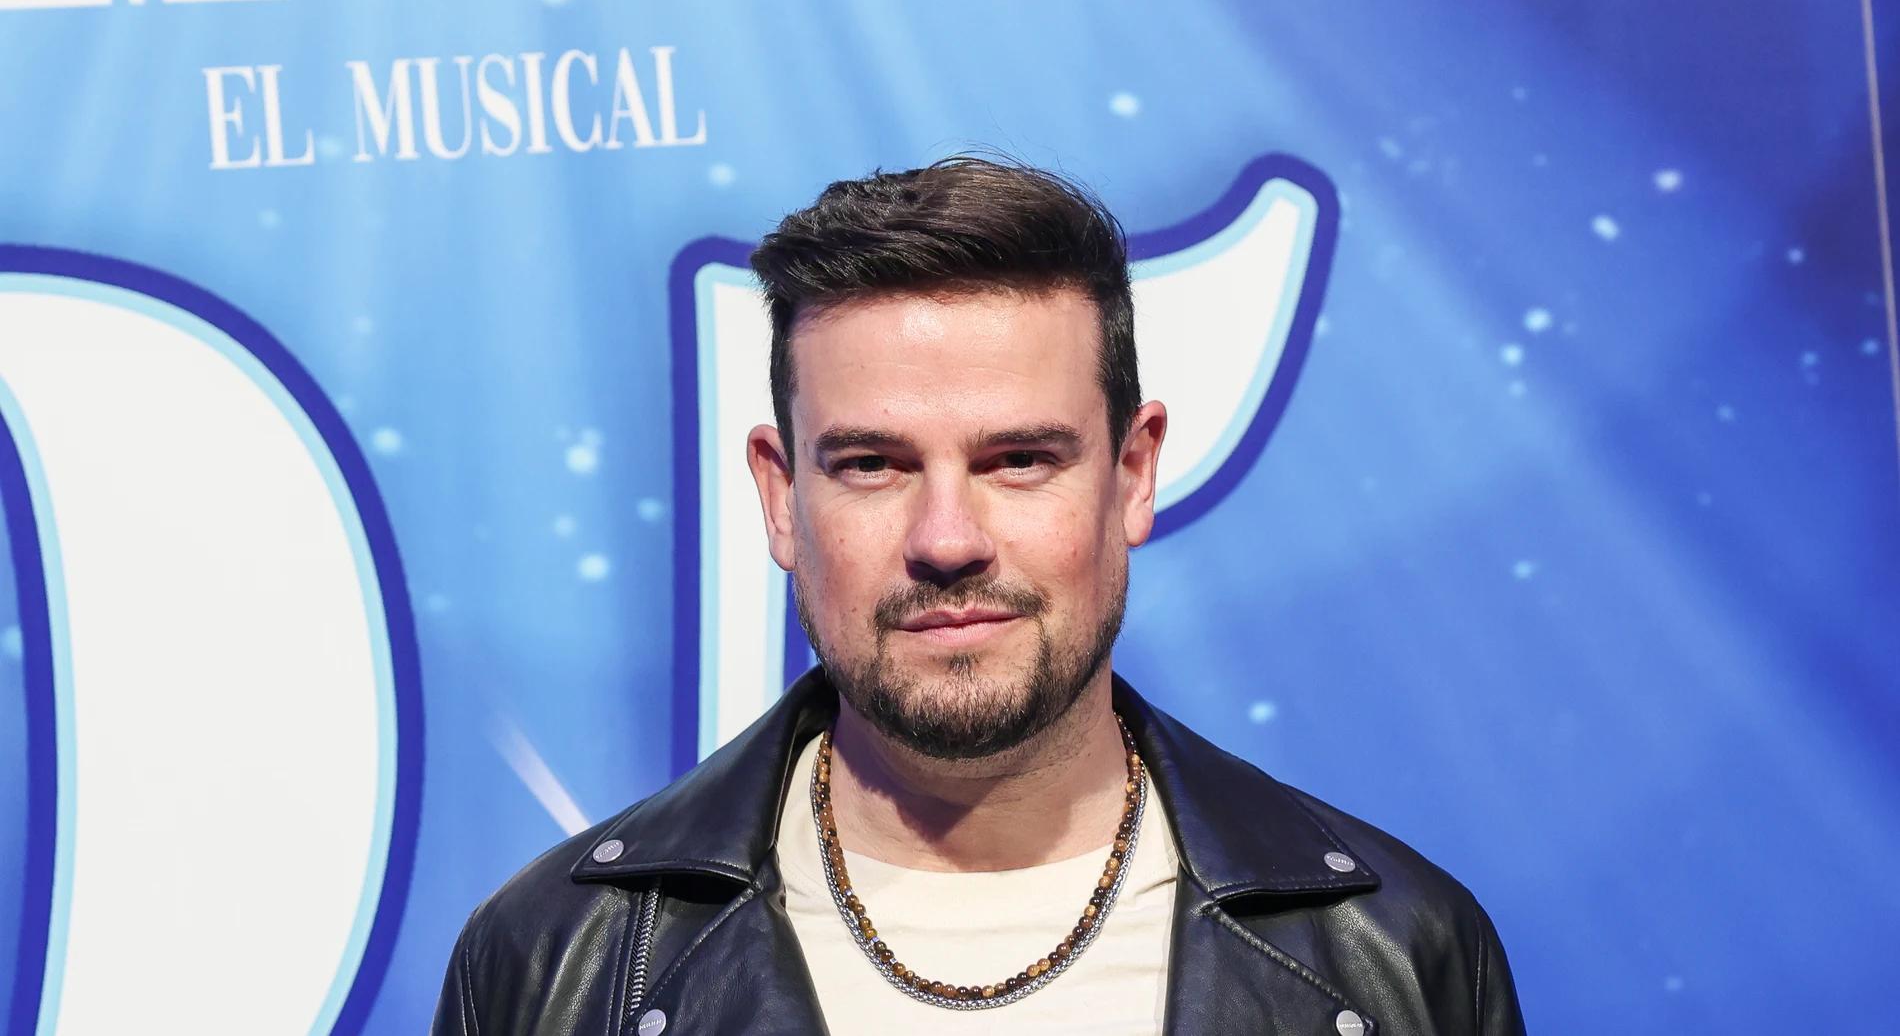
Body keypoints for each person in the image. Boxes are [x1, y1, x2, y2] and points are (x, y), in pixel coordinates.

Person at [431, 158, 1526, 1036]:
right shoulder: (552, 963)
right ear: (779, 496)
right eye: (872, 464)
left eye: (1018, 460)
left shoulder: (1396, 949)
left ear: (1133, 474)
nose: (946, 539)